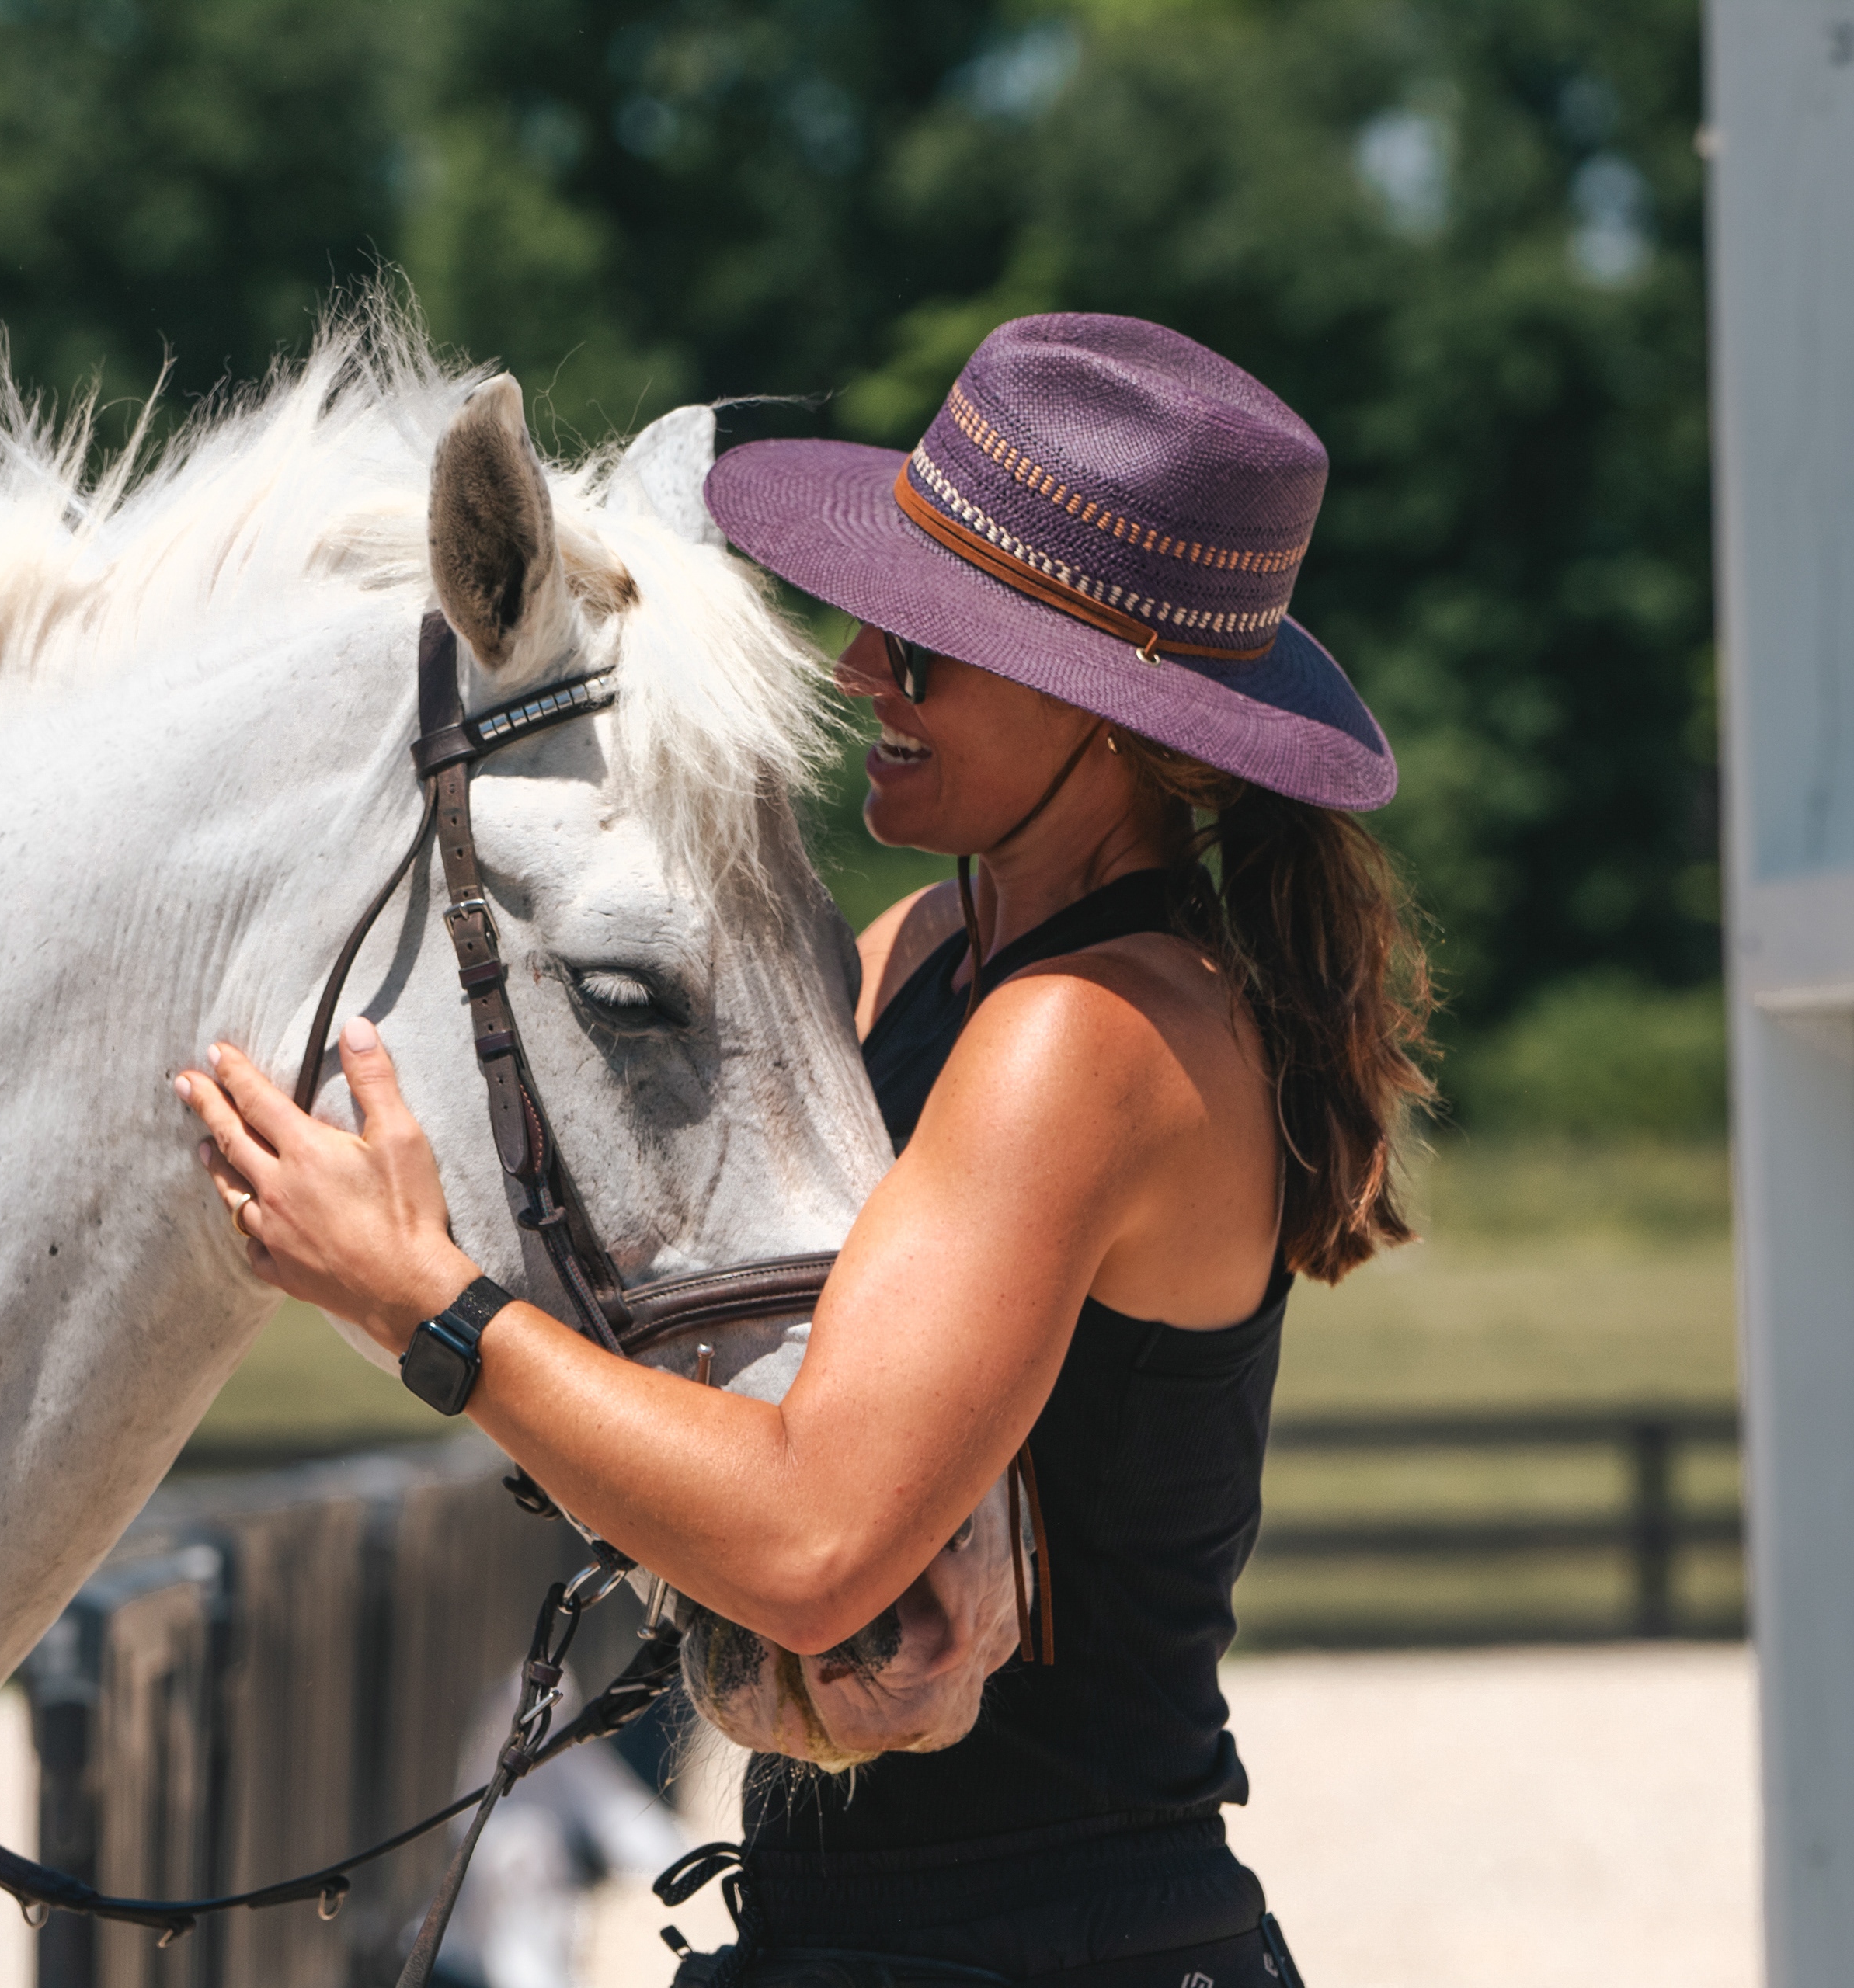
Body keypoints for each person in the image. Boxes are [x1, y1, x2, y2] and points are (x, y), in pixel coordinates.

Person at [173, 315, 1432, 1985]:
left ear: (1116, 711)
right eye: (877, 621)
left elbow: (819, 1538)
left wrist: (433, 1308)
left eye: (933, 648)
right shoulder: (925, 951)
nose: (861, 672)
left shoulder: (1089, 1038)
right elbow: (725, 1386)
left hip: (1038, 1942)